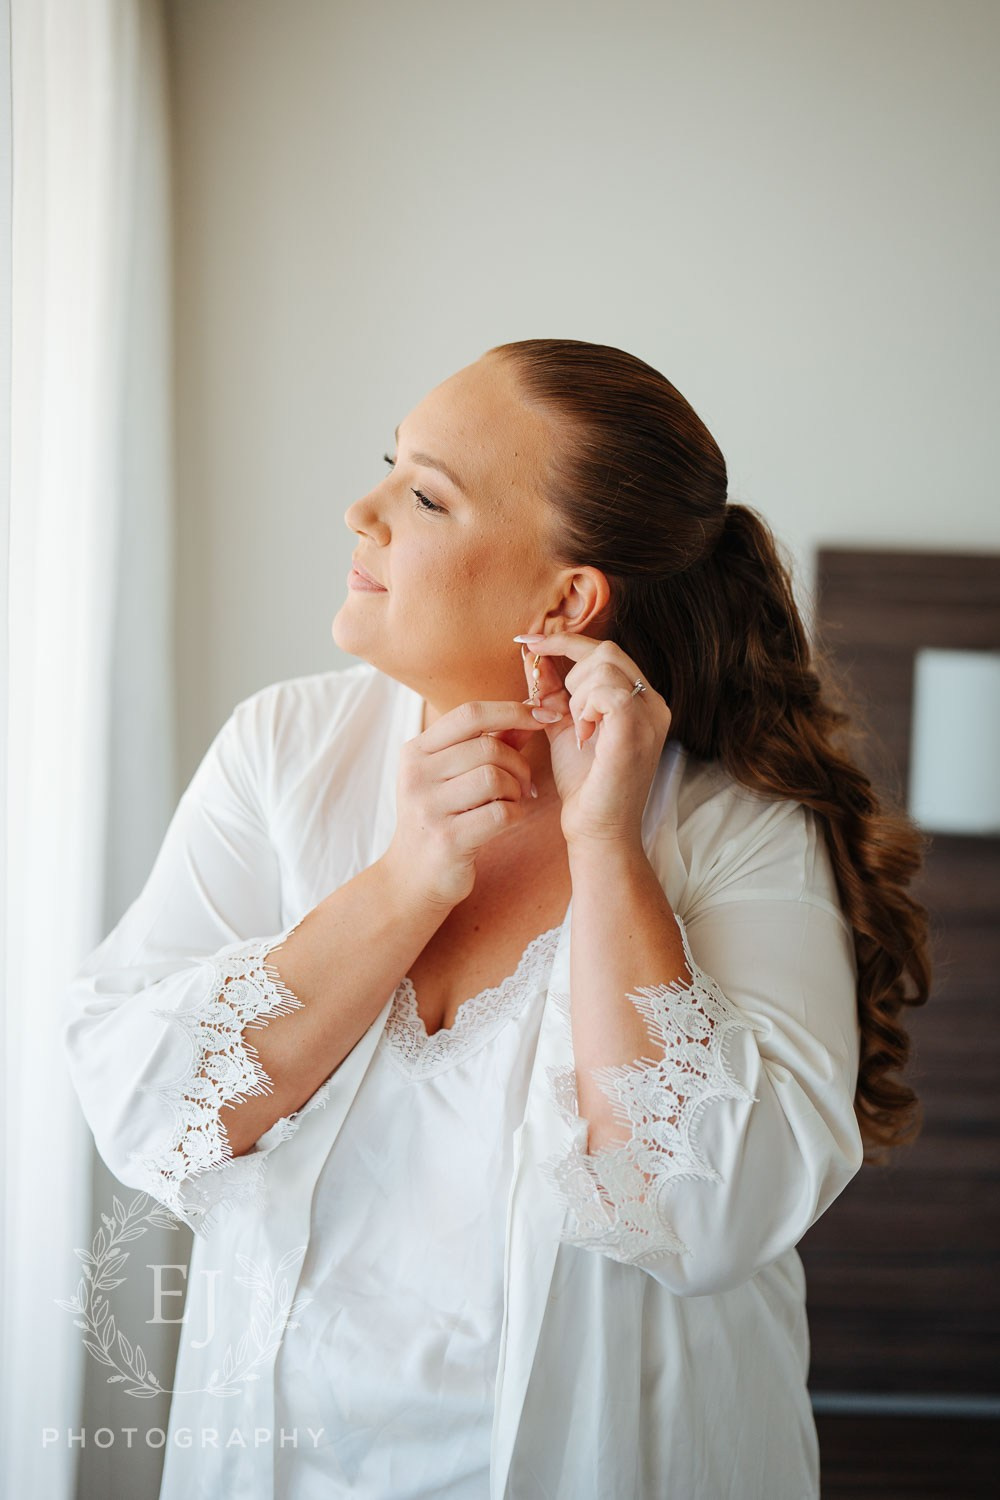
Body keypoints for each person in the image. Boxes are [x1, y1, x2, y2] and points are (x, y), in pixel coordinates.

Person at [61, 338, 931, 1500]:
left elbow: (707, 1212)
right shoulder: (282, 755)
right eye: (391, 468)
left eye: (424, 495)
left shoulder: (736, 830)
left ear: (566, 599)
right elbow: (147, 1105)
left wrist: (606, 847)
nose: (360, 510)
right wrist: (406, 879)